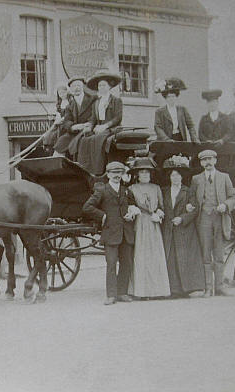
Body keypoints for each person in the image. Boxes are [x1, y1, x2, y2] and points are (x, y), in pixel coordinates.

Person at [82, 161, 137, 305]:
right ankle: (111, 295)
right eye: (114, 173)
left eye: (119, 173)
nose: (117, 175)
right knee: (111, 264)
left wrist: (132, 213)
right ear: (108, 174)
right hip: (110, 233)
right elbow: (87, 207)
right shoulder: (102, 190)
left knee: (127, 263)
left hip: (126, 232)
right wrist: (102, 215)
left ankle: (122, 292)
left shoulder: (126, 190)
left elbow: (133, 206)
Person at [189, 150, 235, 297]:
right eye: (204, 160)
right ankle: (208, 288)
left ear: (215, 160)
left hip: (220, 219)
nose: (207, 163)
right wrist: (190, 205)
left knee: (219, 254)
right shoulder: (196, 179)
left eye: (210, 159)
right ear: (201, 163)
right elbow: (191, 197)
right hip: (203, 219)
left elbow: (233, 198)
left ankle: (220, 287)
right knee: (205, 254)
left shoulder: (224, 177)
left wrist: (226, 205)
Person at [161, 155, 205, 298]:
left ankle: (189, 288)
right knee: (171, 258)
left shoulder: (188, 191)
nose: (175, 178)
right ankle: (174, 290)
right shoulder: (164, 191)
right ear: (169, 177)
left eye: (178, 175)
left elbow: (195, 208)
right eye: (173, 175)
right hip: (169, 229)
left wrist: (182, 218)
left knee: (184, 258)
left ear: (182, 177)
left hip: (184, 230)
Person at [126, 157, 170, 299]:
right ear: (137, 175)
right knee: (141, 255)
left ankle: (158, 290)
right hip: (140, 223)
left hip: (153, 224)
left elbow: (161, 207)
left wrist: (159, 213)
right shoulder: (132, 189)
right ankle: (141, 291)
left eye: (147, 173)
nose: (145, 175)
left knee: (155, 255)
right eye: (142, 172)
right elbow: (130, 206)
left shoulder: (156, 188)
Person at [76, 71, 123, 175]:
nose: (101, 87)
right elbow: (93, 118)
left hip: (111, 128)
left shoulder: (116, 100)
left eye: (104, 85)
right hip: (98, 128)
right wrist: (90, 126)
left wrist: (105, 126)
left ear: (109, 86)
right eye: (99, 85)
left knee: (98, 139)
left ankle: (98, 170)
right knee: (84, 140)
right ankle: (86, 169)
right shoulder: (97, 102)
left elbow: (118, 118)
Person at [55, 76, 96, 159]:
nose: (76, 88)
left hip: (89, 130)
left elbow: (96, 114)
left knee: (81, 143)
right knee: (61, 142)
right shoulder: (69, 105)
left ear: (83, 87)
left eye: (78, 86)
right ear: (70, 89)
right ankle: (58, 163)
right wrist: (73, 126)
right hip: (75, 131)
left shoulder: (92, 99)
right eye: (74, 86)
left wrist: (90, 124)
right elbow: (66, 121)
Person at [153, 78, 199, 142]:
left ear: (176, 97)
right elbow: (157, 127)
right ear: (165, 98)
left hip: (180, 138)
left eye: (173, 96)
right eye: (169, 97)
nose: (171, 99)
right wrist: (166, 139)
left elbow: (190, 125)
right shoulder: (159, 111)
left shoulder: (182, 110)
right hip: (166, 139)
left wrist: (194, 138)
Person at [198, 89, 235, 167]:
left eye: (214, 102)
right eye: (209, 102)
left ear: (217, 103)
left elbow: (230, 133)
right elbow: (200, 134)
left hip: (222, 152)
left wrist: (222, 140)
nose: (212, 104)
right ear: (207, 104)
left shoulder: (225, 118)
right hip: (208, 153)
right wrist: (206, 141)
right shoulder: (204, 119)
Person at [42, 83, 70, 155]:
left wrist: (63, 119)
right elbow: (57, 113)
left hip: (67, 123)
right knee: (49, 134)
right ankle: (49, 148)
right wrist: (56, 117)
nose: (62, 95)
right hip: (59, 124)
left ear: (67, 92)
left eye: (63, 93)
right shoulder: (59, 103)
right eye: (60, 93)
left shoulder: (71, 102)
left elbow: (70, 114)